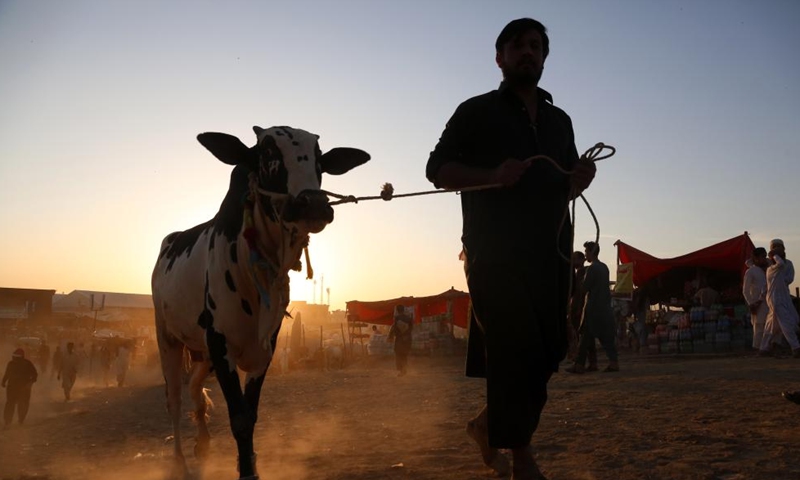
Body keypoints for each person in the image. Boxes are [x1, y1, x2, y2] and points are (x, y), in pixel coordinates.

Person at [425, 18, 596, 479]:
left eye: (536, 46)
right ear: (499, 57)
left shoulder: (561, 121)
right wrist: (492, 176)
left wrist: (577, 181)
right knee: (513, 346)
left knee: (551, 350)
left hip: (552, 255)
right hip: (493, 253)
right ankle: (521, 455)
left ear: (544, 58)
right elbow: (436, 169)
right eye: (518, 46)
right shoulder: (475, 112)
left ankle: (487, 426)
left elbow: (560, 184)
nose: (528, 53)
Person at [567, 242, 619, 374]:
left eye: (586, 252)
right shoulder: (604, 267)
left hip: (593, 308)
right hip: (605, 307)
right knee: (606, 337)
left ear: (591, 252)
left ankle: (579, 364)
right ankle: (613, 362)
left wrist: (578, 285)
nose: (585, 255)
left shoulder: (592, 269)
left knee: (585, 337)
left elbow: (584, 288)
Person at [759, 239, 800, 357]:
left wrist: (782, 281)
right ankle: (796, 347)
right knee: (786, 322)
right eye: (774, 247)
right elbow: (767, 283)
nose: (777, 249)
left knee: (771, 324)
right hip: (776, 299)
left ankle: (764, 348)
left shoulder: (787, 264)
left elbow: (789, 278)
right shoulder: (772, 268)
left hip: (784, 296)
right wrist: (775, 255)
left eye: (779, 247)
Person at [568, 251, 597, 368]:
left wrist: (579, 308)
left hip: (580, 307)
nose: (573, 262)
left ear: (580, 260)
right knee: (587, 335)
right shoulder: (583, 271)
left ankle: (579, 362)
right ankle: (592, 362)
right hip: (581, 306)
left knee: (581, 335)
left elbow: (580, 292)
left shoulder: (581, 272)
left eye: (575, 259)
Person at [2, 348, 38, 427]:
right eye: (14, 356)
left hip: (24, 388)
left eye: (16, 357)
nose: (14, 358)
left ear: (21, 357)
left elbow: (35, 375)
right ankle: (7, 421)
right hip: (12, 387)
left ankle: (21, 419)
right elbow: (7, 374)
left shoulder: (28, 364)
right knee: (10, 403)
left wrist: (30, 383)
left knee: (23, 404)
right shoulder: (11, 364)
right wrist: (3, 381)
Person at [743, 247, 769, 350]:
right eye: (763, 256)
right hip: (757, 303)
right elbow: (745, 290)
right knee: (759, 326)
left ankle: (767, 348)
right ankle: (757, 348)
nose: (765, 258)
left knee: (770, 325)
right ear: (756, 258)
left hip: (770, 301)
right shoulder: (751, 271)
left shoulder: (769, 269)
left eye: (765, 256)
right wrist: (752, 304)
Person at [387, 305, 413, 377]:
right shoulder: (408, 318)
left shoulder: (397, 318)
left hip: (399, 340)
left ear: (397, 311)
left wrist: (391, 336)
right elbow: (411, 328)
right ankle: (404, 369)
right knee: (404, 355)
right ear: (403, 310)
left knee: (399, 355)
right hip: (407, 339)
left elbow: (395, 328)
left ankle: (402, 371)